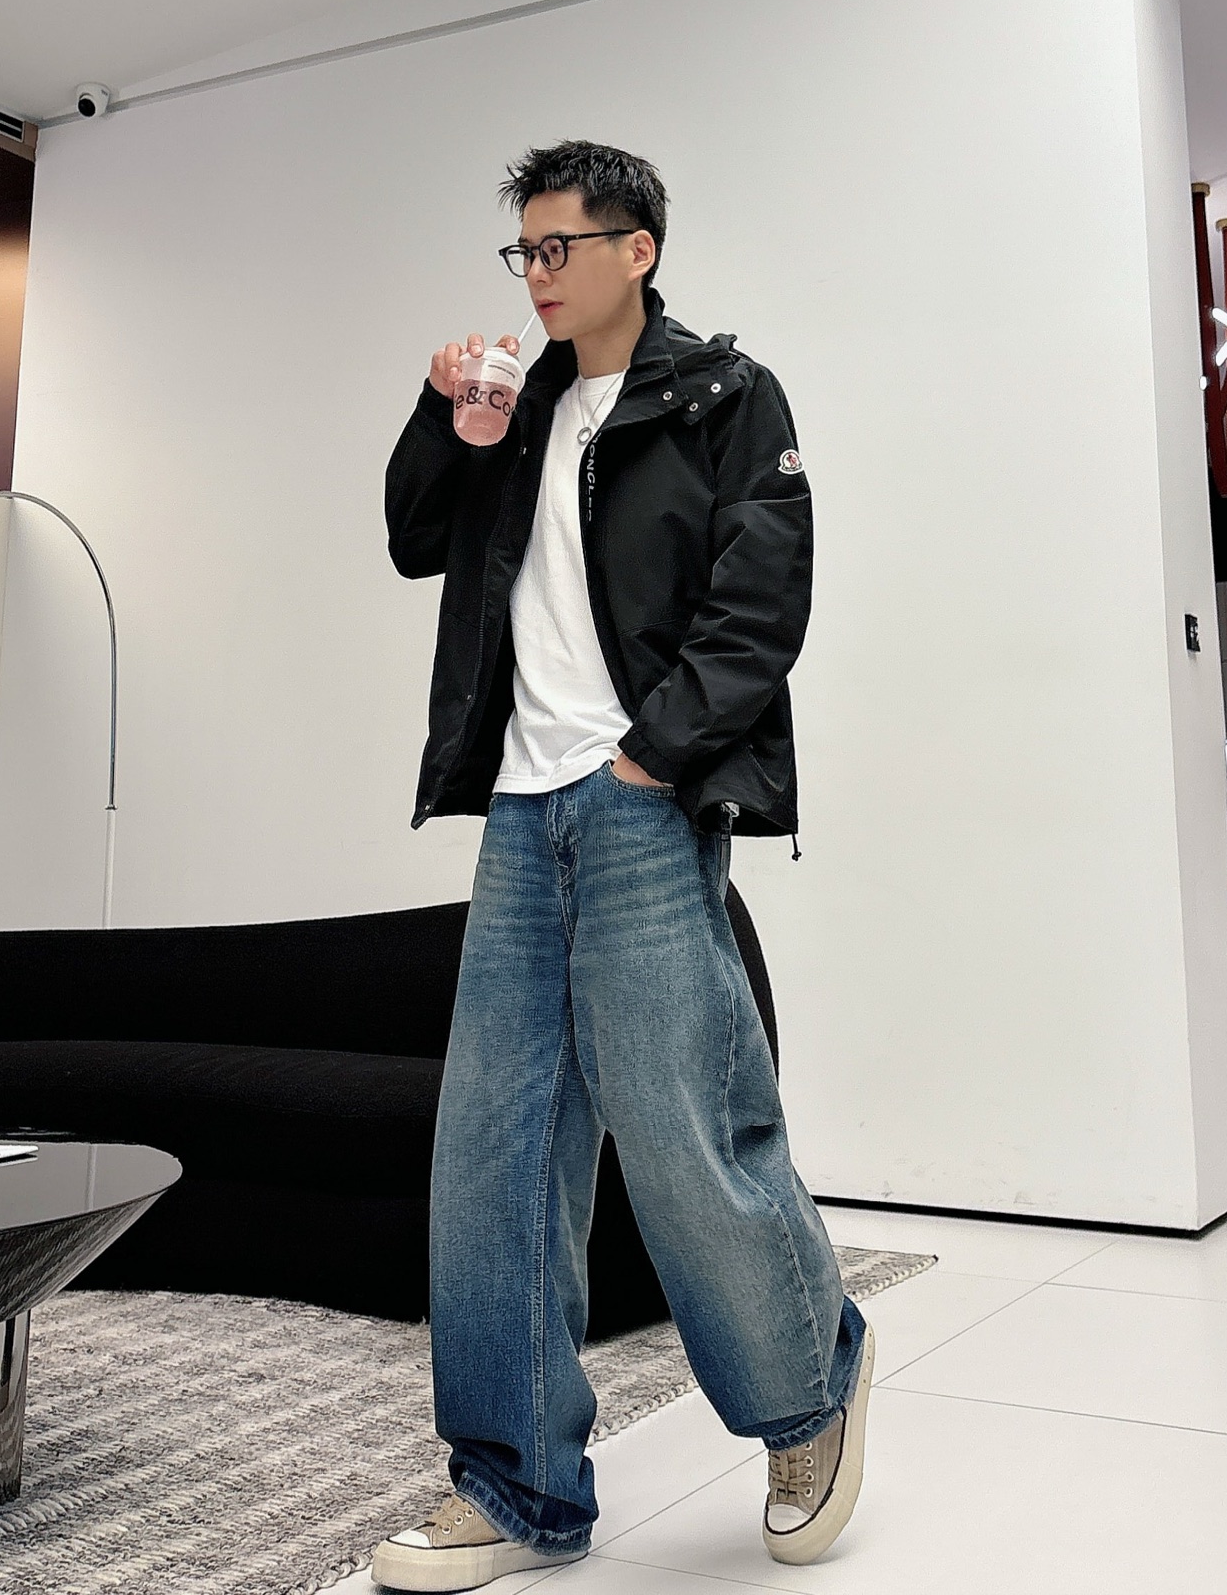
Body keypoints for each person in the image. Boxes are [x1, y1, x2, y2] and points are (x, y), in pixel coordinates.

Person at [373, 141, 871, 1592]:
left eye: (560, 248)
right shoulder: (513, 407)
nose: (536, 275)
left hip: (641, 799)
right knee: (494, 1149)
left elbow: (762, 595)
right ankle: (517, 1482)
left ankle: (810, 1396)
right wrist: (444, 424)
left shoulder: (722, 395)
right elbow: (414, 540)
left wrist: (658, 753)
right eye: (522, 251)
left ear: (636, 249)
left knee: (681, 1127)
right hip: (522, 810)